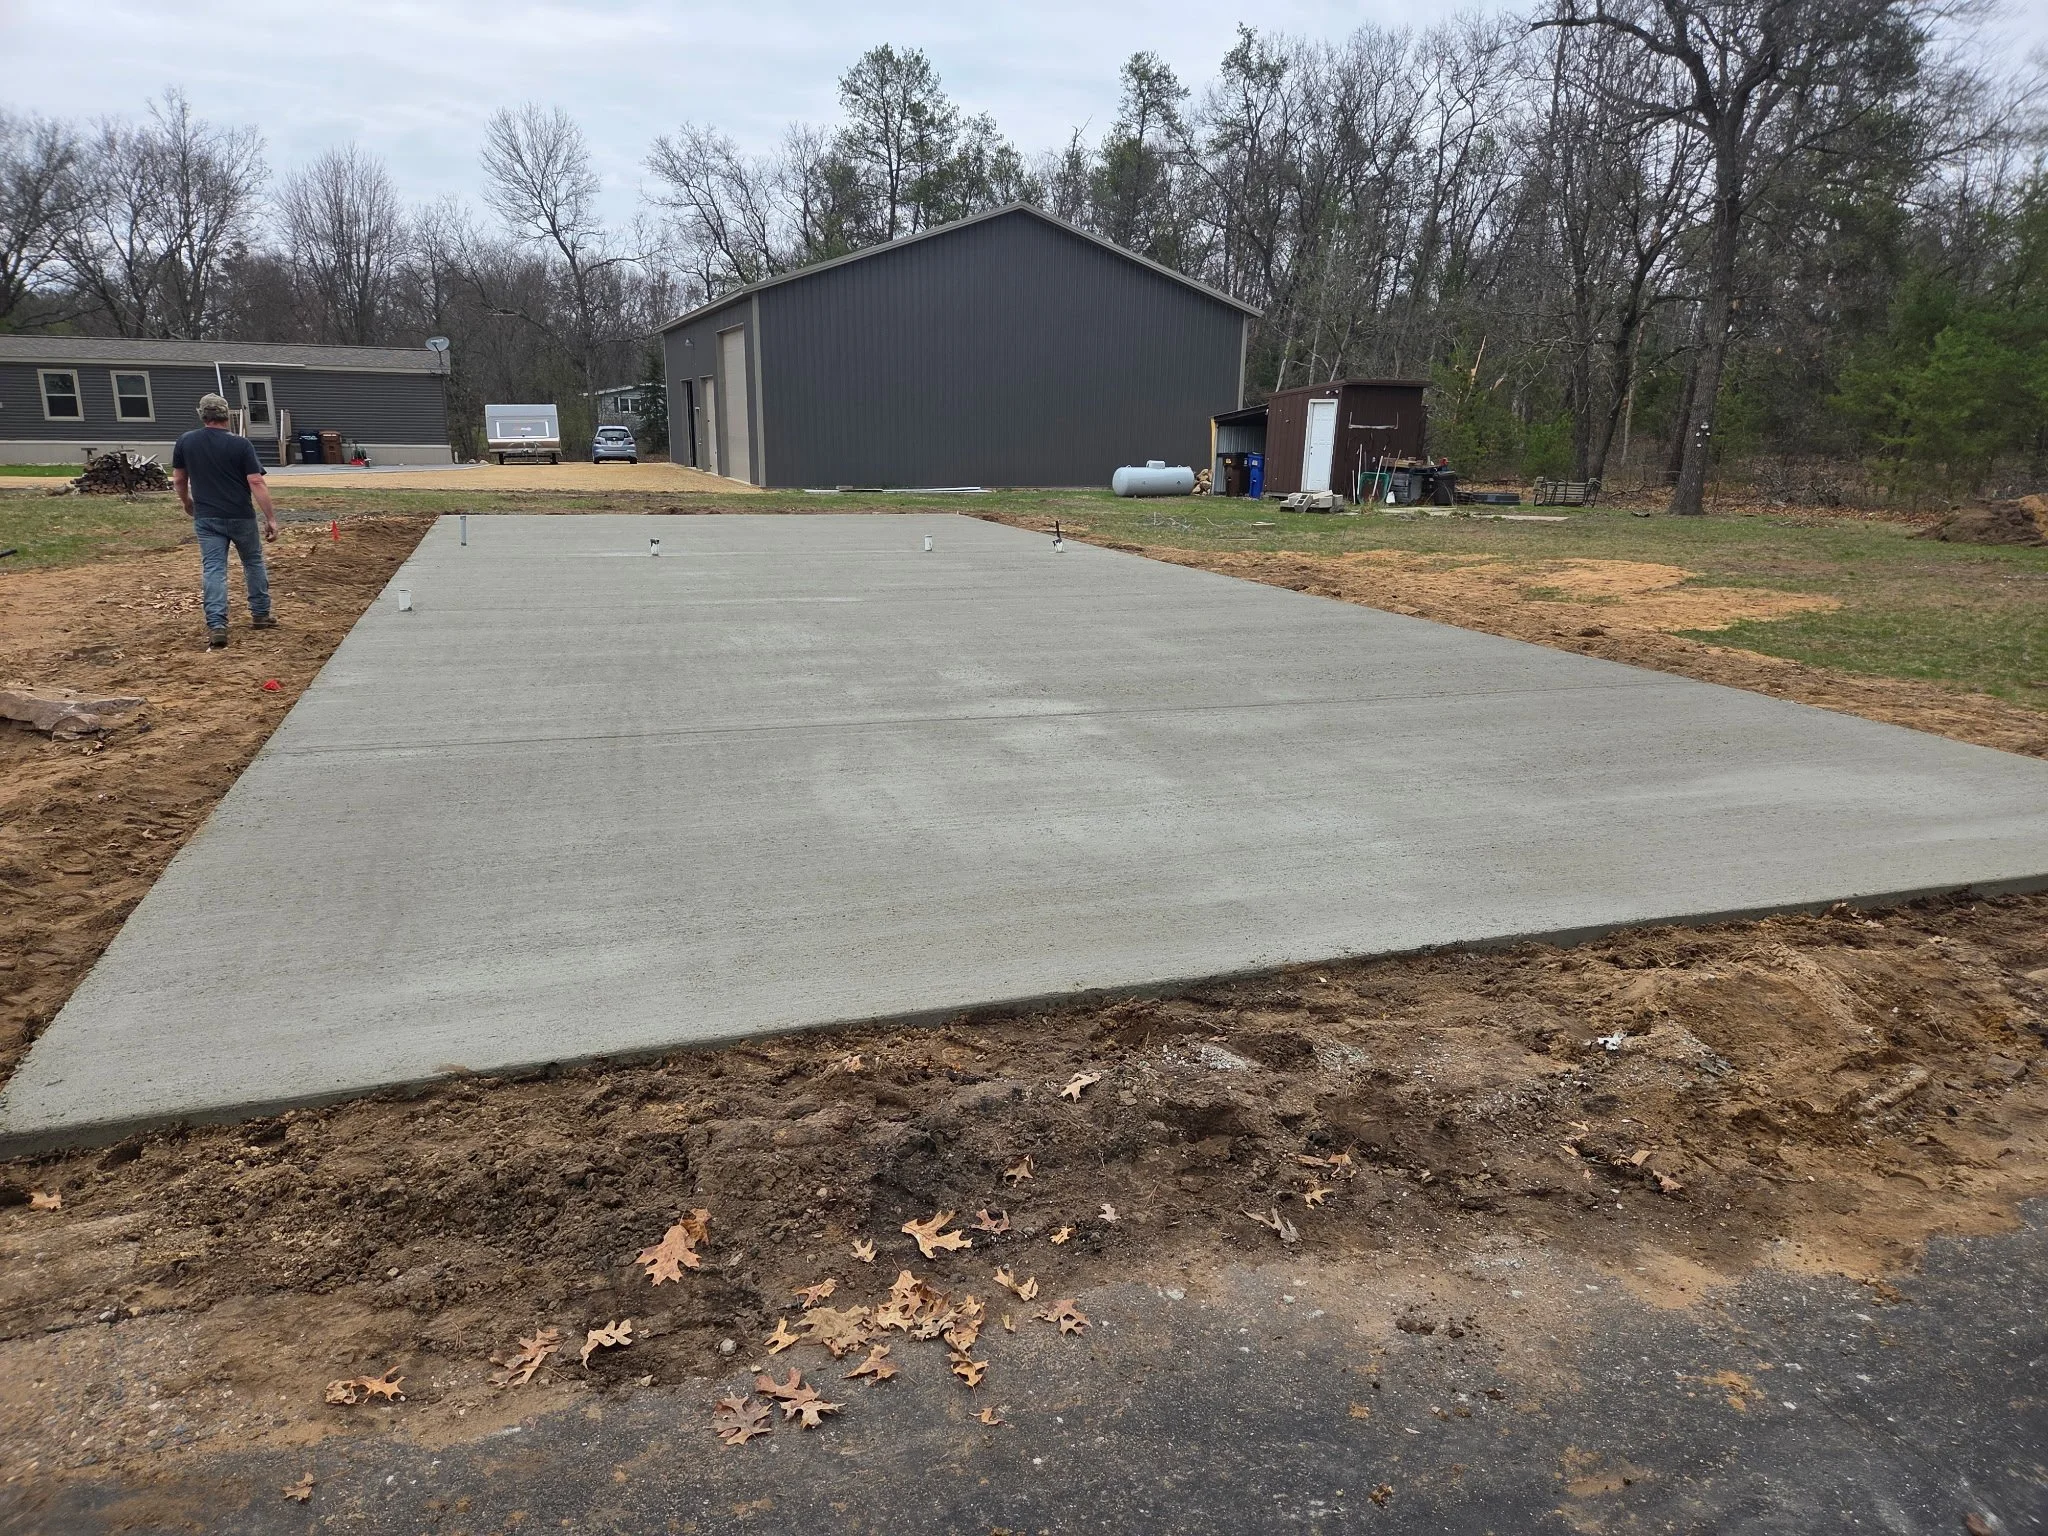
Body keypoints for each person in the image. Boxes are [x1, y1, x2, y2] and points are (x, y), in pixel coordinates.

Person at [172, 393, 279, 649]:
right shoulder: (241, 445)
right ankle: (261, 614)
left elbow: (178, 479)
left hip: (207, 517)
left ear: (202, 415)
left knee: (214, 568)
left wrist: (187, 503)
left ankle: (217, 625)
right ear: (226, 416)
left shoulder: (186, 442)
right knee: (252, 561)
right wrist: (270, 517)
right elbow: (256, 481)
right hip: (241, 515)